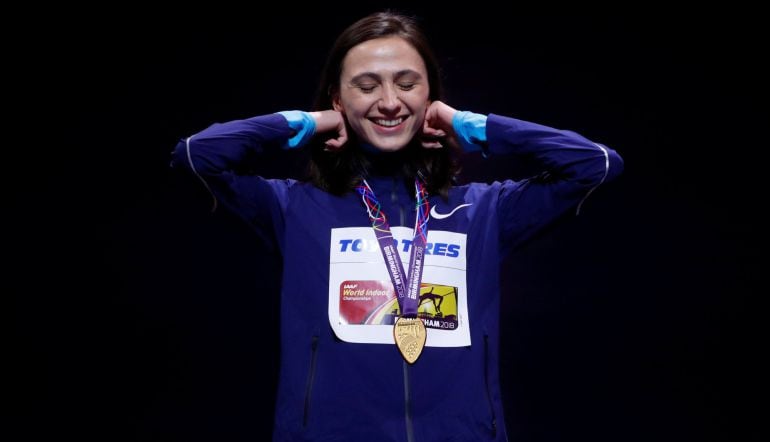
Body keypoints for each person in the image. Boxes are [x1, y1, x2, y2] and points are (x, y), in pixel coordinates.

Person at [171, 11, 623, 441]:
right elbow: (197, 155)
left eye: (407, 84)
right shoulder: (293, 207)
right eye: (366, 86)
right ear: (338, 98)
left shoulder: (483, 211)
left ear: (430, 96)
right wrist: (307, 123)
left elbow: (595, 164)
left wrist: (474, 127)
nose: (389, 102)